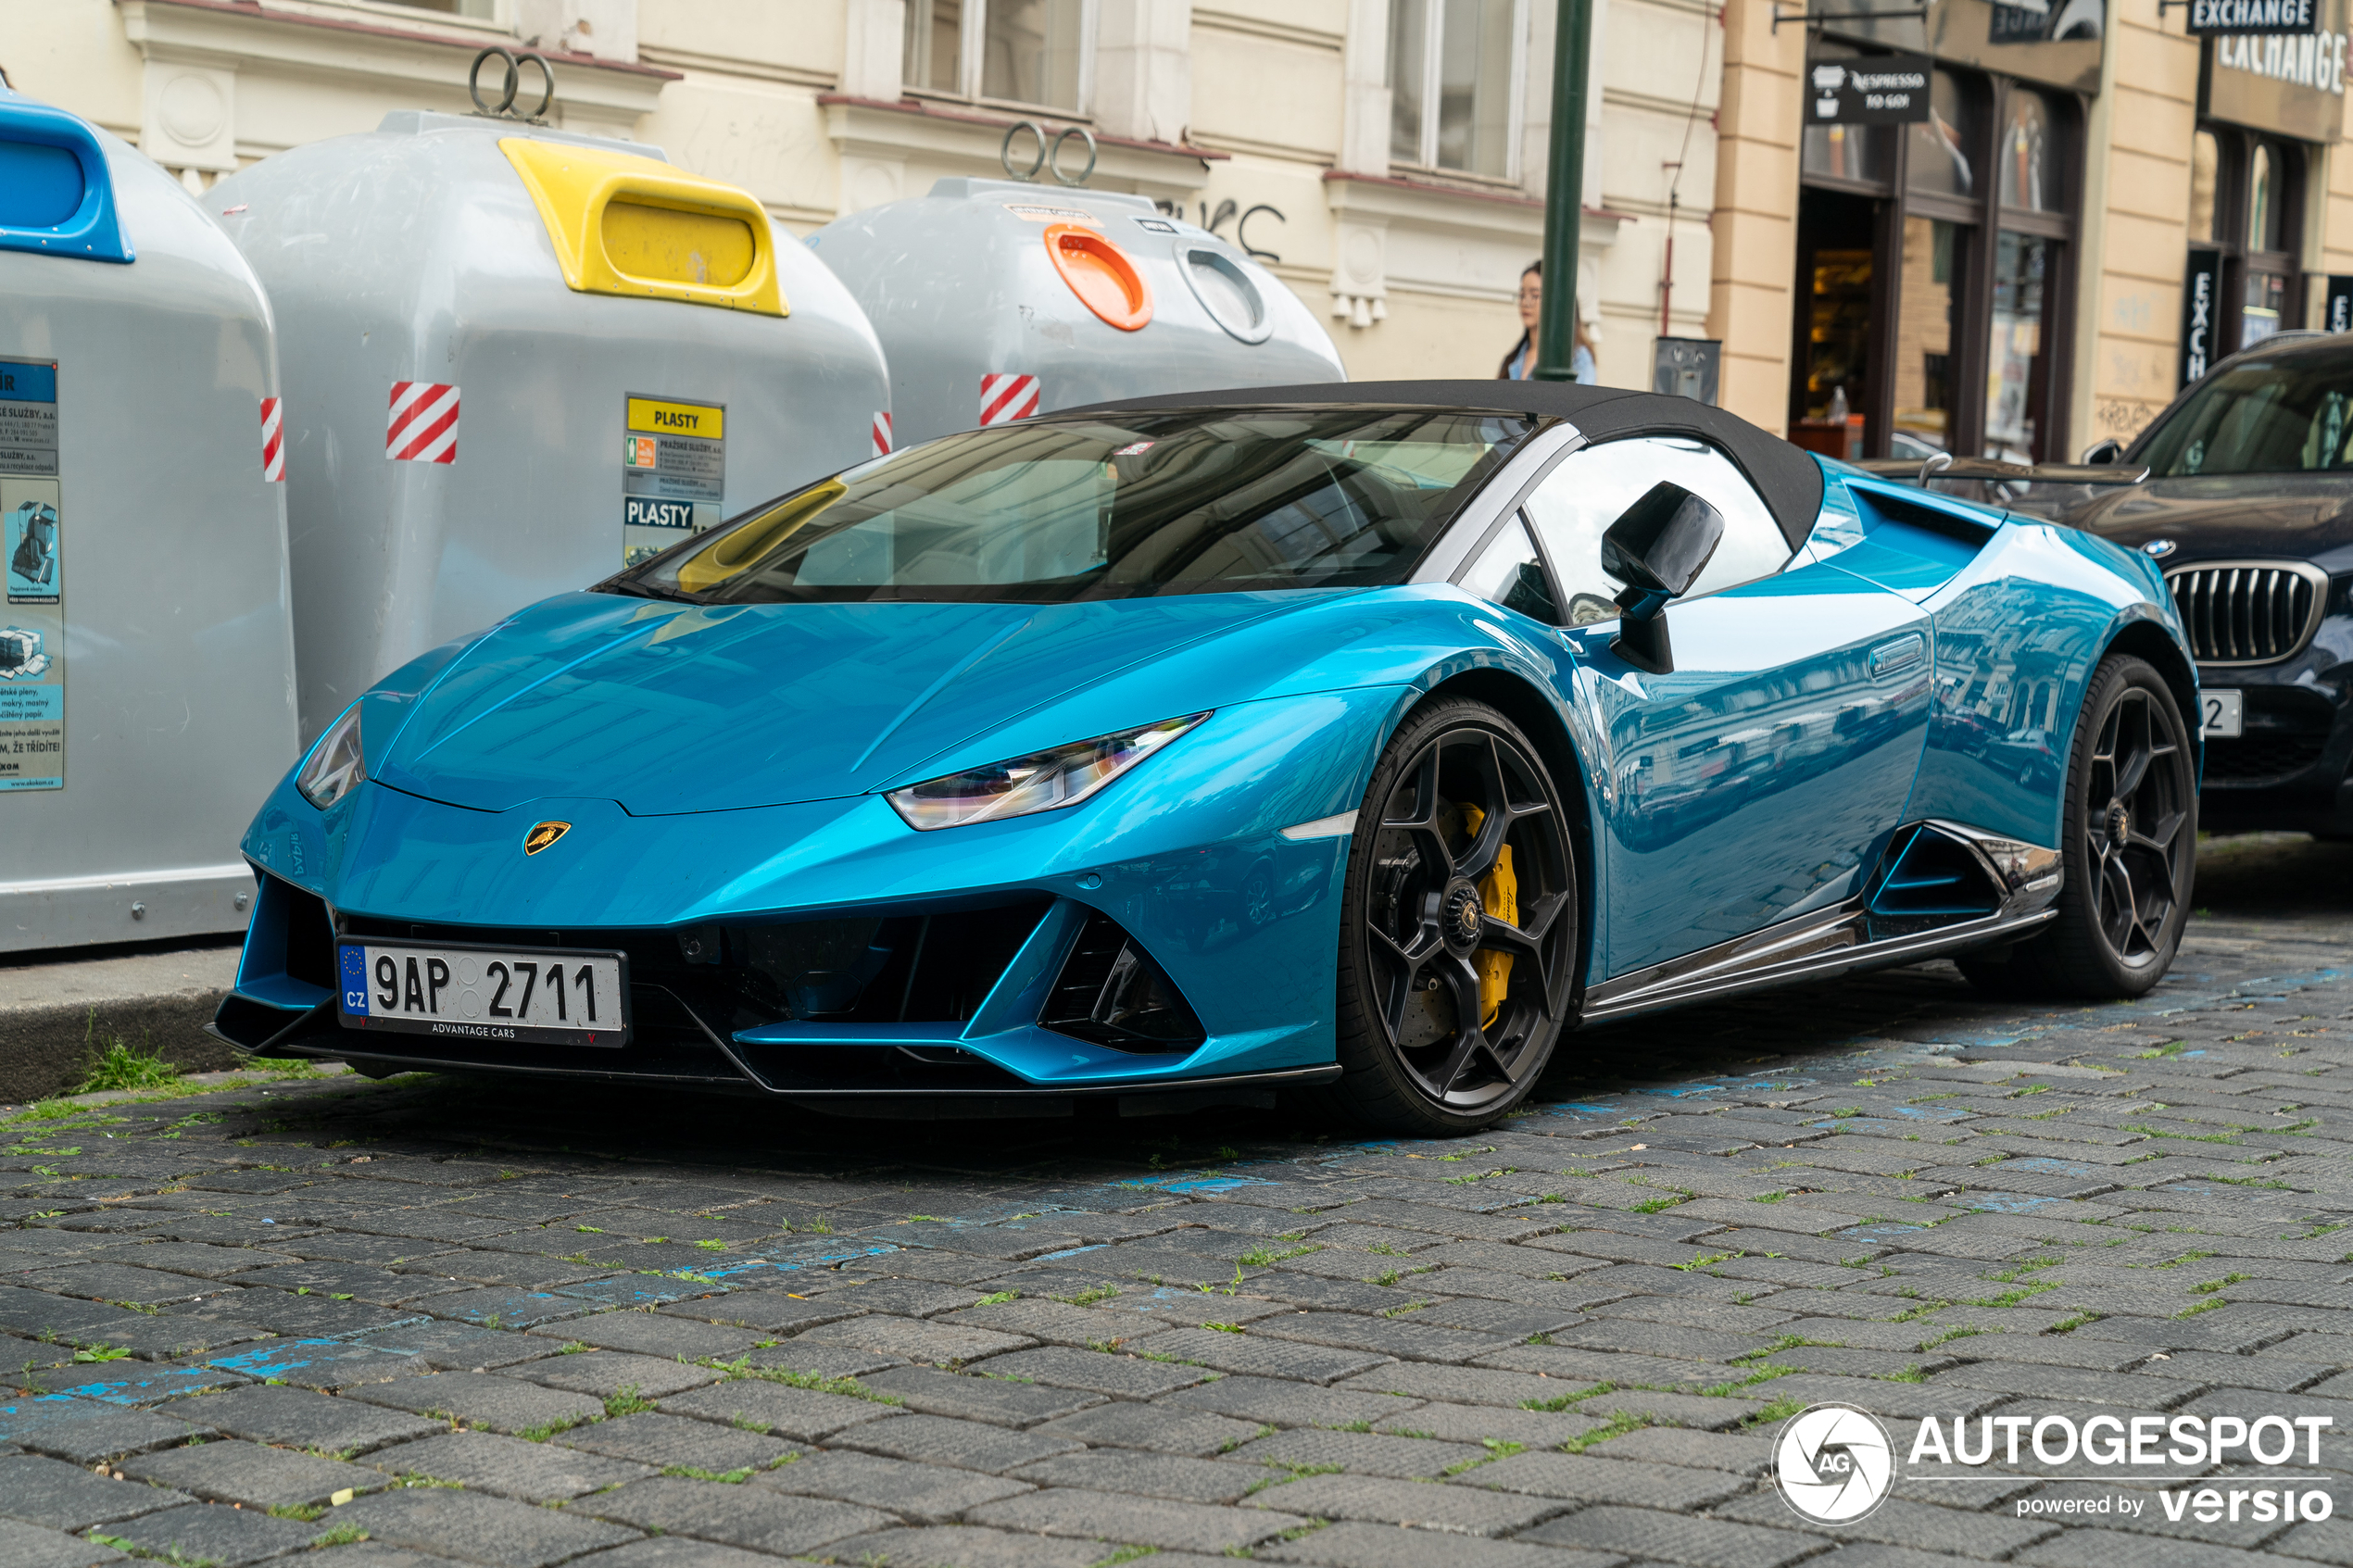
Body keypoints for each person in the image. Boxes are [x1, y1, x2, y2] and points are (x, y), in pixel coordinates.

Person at [1497, 260, 1597, 383]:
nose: (1526, 302)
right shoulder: (1512, 359)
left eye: (1535, 295)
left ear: (1557, 300)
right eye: (1522, 295)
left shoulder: (1578, 358)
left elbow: (1582, 400)